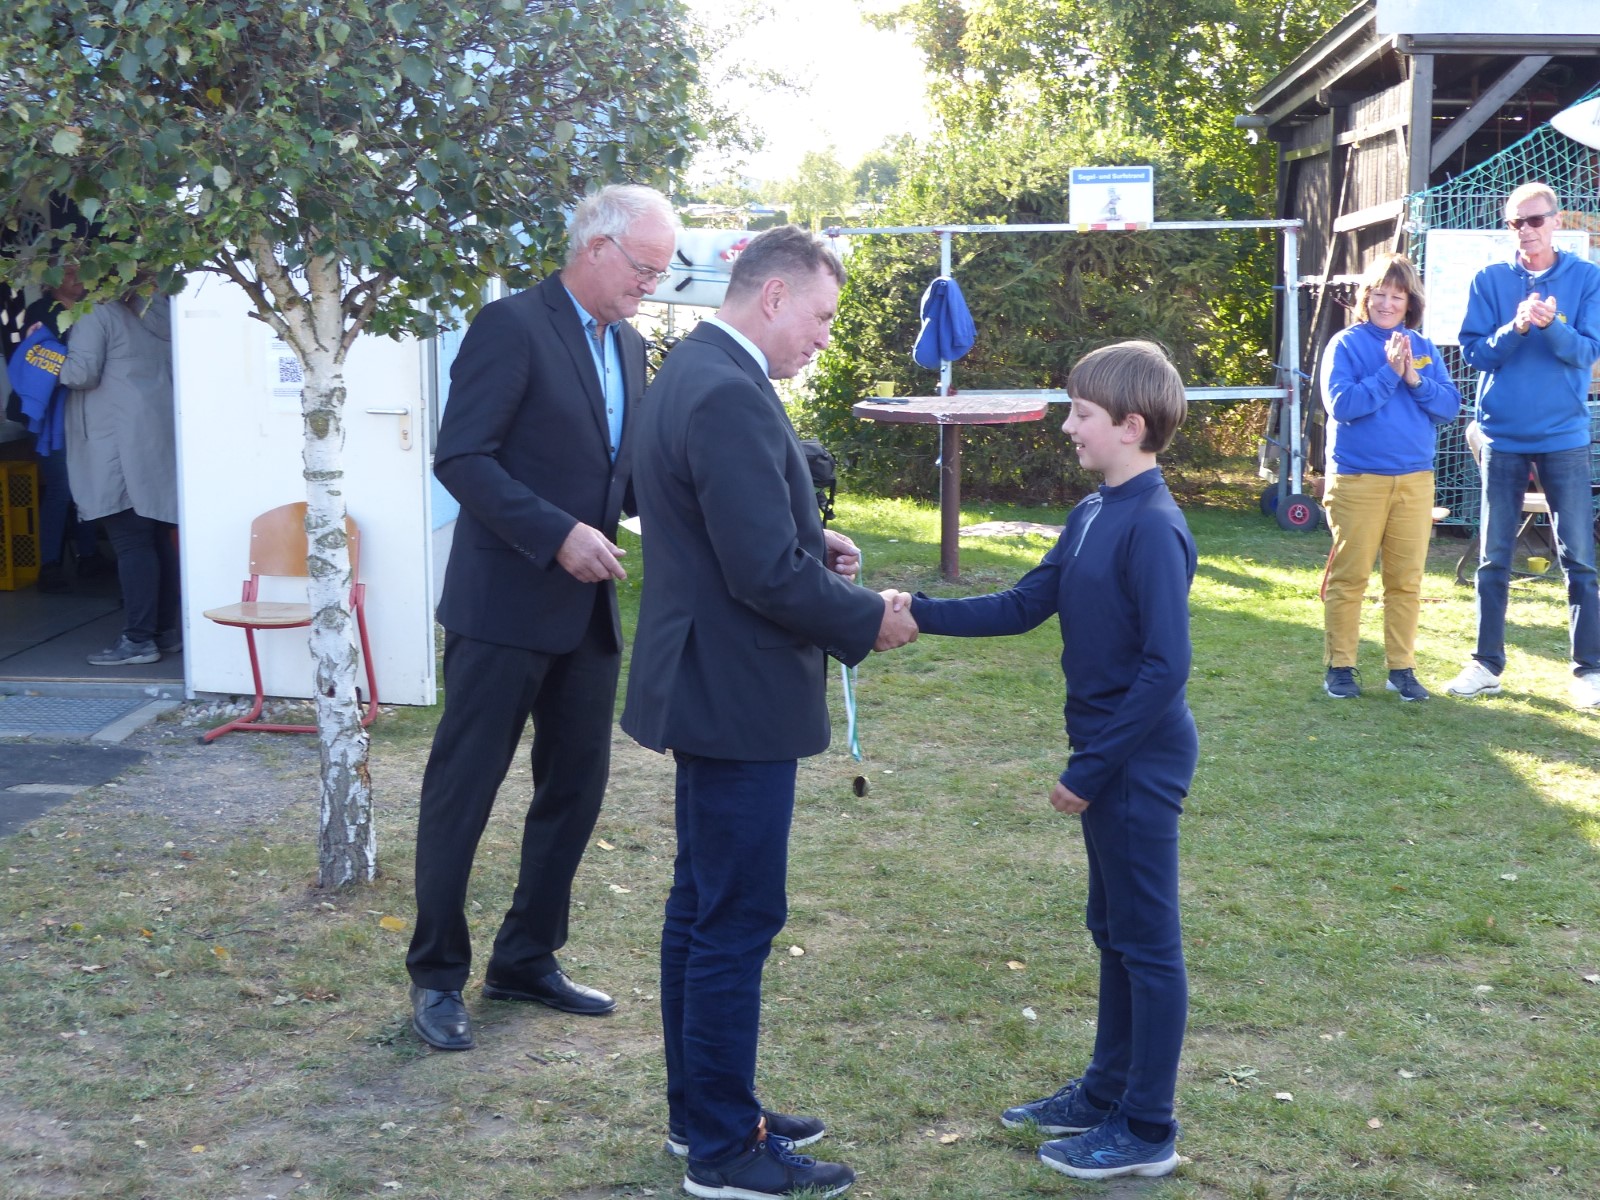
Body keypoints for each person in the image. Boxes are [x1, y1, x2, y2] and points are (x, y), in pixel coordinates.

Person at [621, 224, 917, 1200]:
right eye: (822, 317)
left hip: (710, 681)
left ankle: (704, 1111)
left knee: (700, 905)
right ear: (774, 295)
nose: (826, 338)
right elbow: (757, 574)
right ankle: (722, 1146)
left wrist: (805, 535)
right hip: (734, 690)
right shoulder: (724, 389)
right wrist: (865, 619)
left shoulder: (692, 370)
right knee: (734, 915)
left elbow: (721, 524)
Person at [903, 340, 1195, 1182]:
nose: (1069, 427)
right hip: (1109, 754)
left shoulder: (1154, 525)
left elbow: (1165, 669)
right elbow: (1027, 603)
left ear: (1131, 426)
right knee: (1114, 931)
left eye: (1082, 414)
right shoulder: (1095, 510)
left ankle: (1148, 1128)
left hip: (1137, 759)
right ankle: (1105, 1090)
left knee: (1147, 944)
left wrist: (1091, 768)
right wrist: (912, 610)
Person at [406, 184, 678, 1052]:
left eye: (661, 273)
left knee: (574, 792)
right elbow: (462, 457)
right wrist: (556, 534)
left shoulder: (629, 344)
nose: (651, 286)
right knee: (464, 793)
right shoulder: (511, 326)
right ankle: (436, 974)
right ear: (595, 247)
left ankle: (525, 958)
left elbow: (627, 478)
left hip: (585, 615)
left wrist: (780, 524)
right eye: (644, 268)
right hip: (501, 608)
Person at [1447, 182, 1600, 708]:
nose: (1526, 231)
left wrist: (1551, 324)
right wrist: (1515, 327)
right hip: (1502, 436)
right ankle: (1486, 664)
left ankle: (1589, 670)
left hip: (1564, 436)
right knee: (1494, 556)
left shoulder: (1586, 278)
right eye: (1516, 222)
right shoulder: (1489, 280)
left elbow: (1586, 353)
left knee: (1579, 558)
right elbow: (1474, 354)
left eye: (1535, 220)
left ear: (1557, 221)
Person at [1319, 253, 1461, 701]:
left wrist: (1413, 379)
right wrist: (1389, 373)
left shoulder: (1423, 347)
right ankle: (1340, 668)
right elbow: (1342, 405)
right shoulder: (1345, 344)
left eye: (1397, 297)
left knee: (1405, 583)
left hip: (1415, 481)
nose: (1387, 304)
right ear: (1366, 297)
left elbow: (1449, 407)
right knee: (1350, 580)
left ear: (1410, 303)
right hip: (1357, 481)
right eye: (1379, 294)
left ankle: (1402, 669)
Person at [59, 286, 180, 664]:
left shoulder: (95, 311)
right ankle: (164, 631)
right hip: (153, 435)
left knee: (130, 541)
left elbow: (81, 373)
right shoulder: (157, 308)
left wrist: (42, 355)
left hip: (114, 440)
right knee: (155, 536)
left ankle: (138, 640)